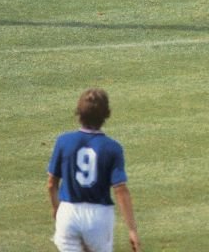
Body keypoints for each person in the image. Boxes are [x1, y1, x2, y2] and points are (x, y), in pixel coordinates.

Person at [47, 88, 141, 252]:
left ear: (78, 113)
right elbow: (120, 190)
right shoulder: (113, 148)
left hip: (68, 213)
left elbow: (51, 184)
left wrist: (56, 208)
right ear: (107, 114)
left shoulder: (63, 141)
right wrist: (132, 230)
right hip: (98, 217)